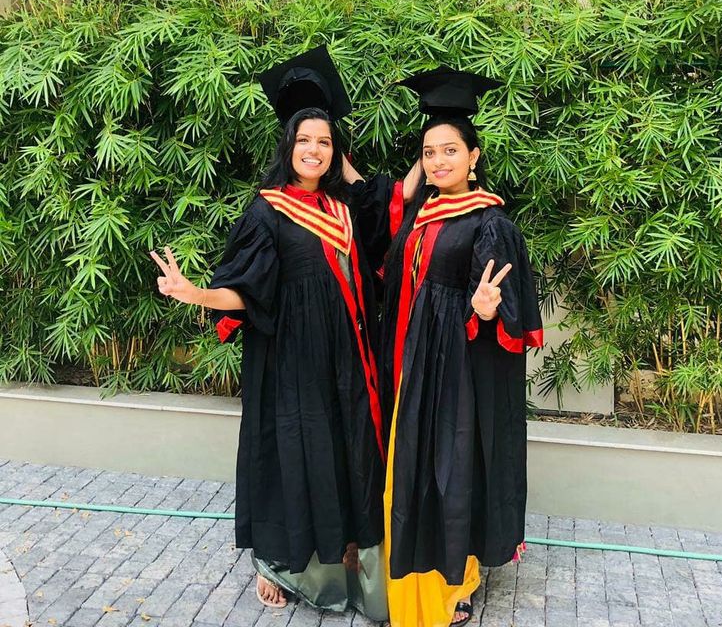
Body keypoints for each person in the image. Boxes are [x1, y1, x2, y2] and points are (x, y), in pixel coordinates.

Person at [150, 46, 390, 619]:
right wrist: (197, 293)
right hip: (295, 362)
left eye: (324, 142)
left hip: (352, 358)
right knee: (298, 455)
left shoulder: (344, 206)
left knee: (351, 450)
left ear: (336, 152)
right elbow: (247, 288)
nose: (314, 150)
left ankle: (351, 549)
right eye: (304, 140)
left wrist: (343, 155)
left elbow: (383, 214)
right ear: (287, 147)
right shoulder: (266, 211)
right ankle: (286, 563)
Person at [351, 66, 544, 627]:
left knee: (451, 469)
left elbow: (508, 302)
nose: (439, 161)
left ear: (474, 156)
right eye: (430, 153)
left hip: (454, 370)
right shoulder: (420, 212)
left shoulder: (489, 221)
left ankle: (455, 586)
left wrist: (485, 310)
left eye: (450, 151)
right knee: (415, 470)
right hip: (411, 365)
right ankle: (421, 577)